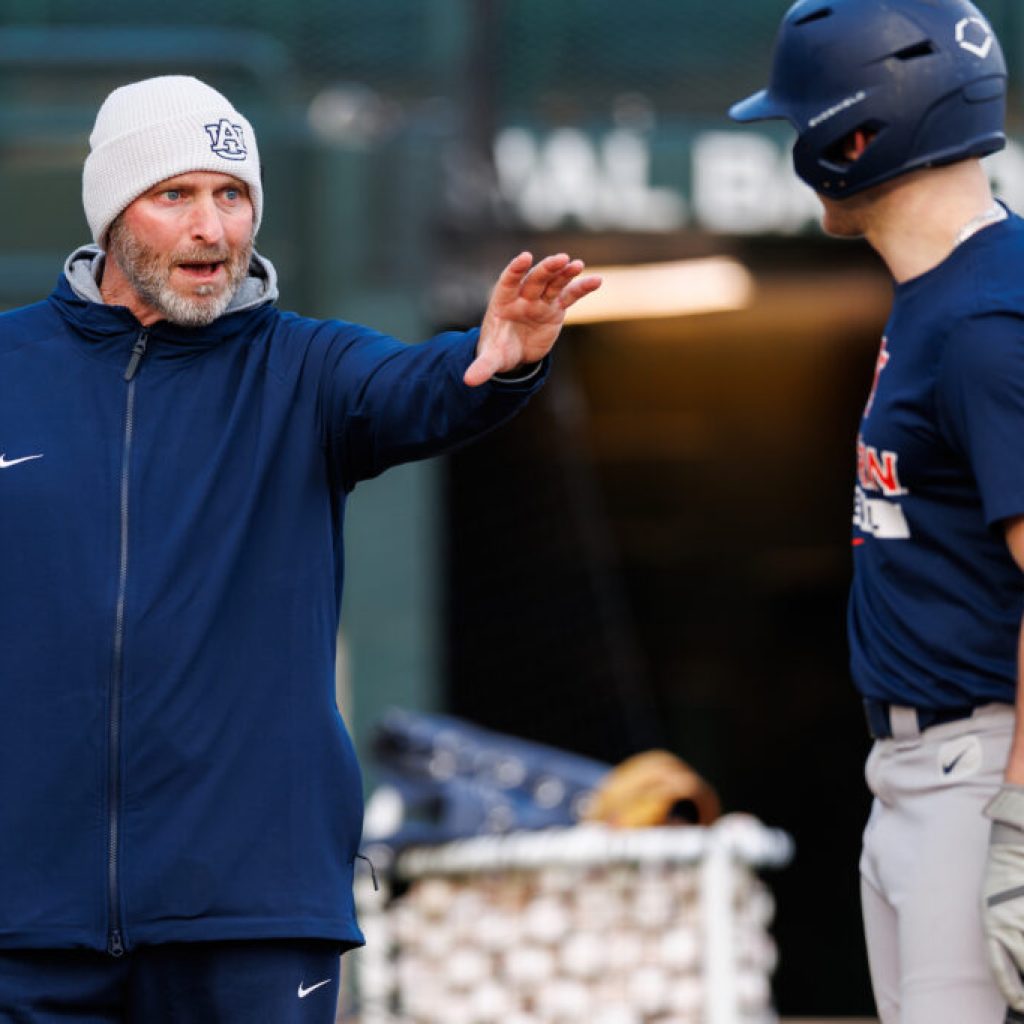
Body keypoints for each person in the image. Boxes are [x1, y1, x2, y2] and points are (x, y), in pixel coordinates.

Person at [0, 75, 600, 1022]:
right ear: (113, 213)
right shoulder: (11, 369)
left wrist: (499, 359)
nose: (213, 229)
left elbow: (420, 387)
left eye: (232, 195)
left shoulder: (310, 368)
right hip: (26, 922)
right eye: (177, 195)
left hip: (252, 914)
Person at [730, 1, 1024, 1021]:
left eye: (801, 122)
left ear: (855, 133)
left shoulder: (988, 316)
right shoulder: (945, 291)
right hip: (917, 772)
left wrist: (1019, 829)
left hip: (979, 775)